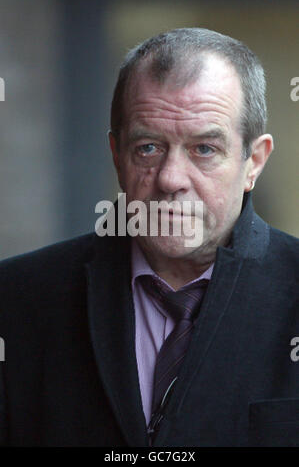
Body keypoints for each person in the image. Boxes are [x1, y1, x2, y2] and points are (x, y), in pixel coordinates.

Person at [0, 28, 299, 447]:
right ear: (117, 156)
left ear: (254, 162)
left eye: (204, 149)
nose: (171, 178)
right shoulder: (16, 301)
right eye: (148, 147)